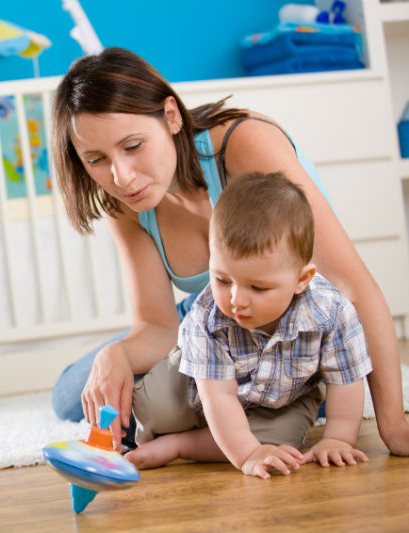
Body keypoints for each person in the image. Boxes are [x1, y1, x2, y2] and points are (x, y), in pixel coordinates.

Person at [49, 47, 409, 456]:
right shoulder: (123, 203)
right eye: (96, 159)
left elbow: (352, 287)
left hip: (296, 317)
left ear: (170, 116)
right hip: (214, 317)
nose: (121, 176)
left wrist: (393, 426)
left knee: (307, 384)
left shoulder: (242, 144)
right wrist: (116, 354)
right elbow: (159, 325)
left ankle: (292, 394)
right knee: (71, 395)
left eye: (132, 145)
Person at [128, 171, 371, 478]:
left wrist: (337, 438)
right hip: (199, 384)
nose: (236, 300)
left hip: (283, 399)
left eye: (257, 288)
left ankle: (181, 446)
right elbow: (219, 397)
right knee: (153, 409)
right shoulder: (207, 317)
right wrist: (247, 454)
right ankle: (153, 424)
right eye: (222, 279)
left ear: (301, 280)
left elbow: (346, 380)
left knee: (280, 445)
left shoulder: (331, 311)